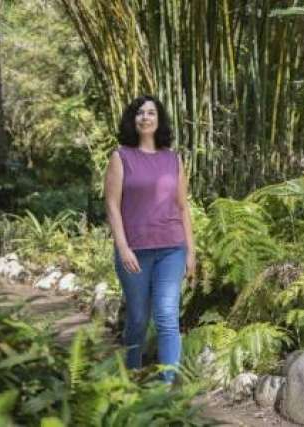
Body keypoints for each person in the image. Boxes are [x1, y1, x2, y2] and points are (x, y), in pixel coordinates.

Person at [104, 95, 196, 383]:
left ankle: (166, 388)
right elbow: (112, 206)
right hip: (135, 251)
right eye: (140, 113)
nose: (145, 117)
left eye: (151, 112)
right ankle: (132, 380)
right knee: (138, 320)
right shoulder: (120, 157)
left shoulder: (173, 159)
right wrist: (123, 247)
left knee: (167, 317)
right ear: (133, 119)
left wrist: (191, 251)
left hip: (171, 248)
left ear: (159, 119)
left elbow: (182, 206)